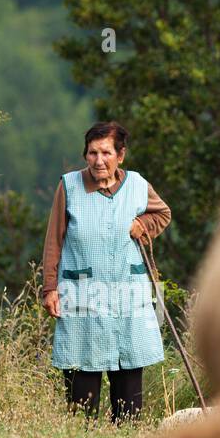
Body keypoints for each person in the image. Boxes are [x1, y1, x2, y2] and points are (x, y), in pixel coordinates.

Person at [41, 121, 171, 422]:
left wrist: (143, 226)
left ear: (120, 156)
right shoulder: (69, 186)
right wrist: (50, 288)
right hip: (81, 297)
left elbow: (162, 213)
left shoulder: (138, 185)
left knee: (128, 392)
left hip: (128, 296)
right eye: (92, 153)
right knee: (81, 390)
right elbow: (53, 240)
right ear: (85, 155)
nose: (99, 160)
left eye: (106, 153)